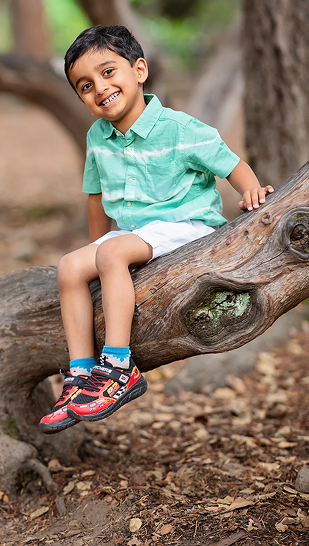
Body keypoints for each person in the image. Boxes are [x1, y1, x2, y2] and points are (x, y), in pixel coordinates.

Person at [39, 25, 273, 434]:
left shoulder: (180, 128)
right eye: (85, 85)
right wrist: (96, 247)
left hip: (187, 225)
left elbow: (231, 164)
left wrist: (251, 192)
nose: (100, 88)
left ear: (140, 70)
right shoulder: (98, 136)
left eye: (109, 72)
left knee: (112, 254)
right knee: (69, 268)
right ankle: (80, 374)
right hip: (137, 233)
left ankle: (118, 367)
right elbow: (96, 196)